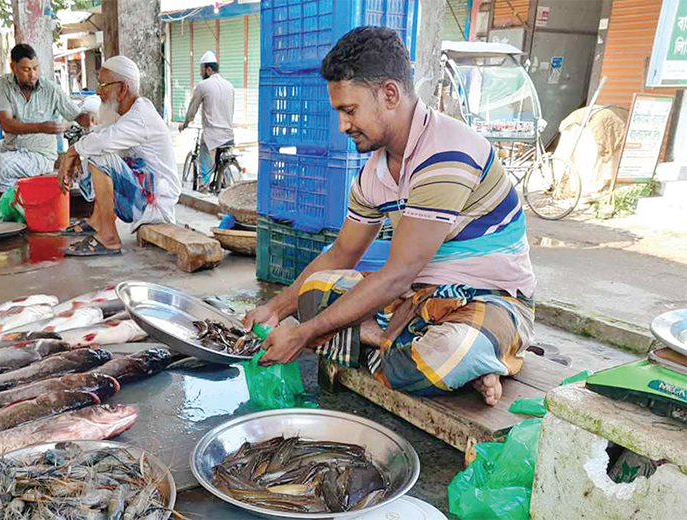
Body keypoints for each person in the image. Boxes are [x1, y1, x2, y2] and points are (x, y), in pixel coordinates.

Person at [243, 27, 536, 407]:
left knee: (442, 353)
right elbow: (340, 254)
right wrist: (277, 307)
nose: (343, 125)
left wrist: (305, 332)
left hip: (491, 299)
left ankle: (466, 353)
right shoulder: (374, 171)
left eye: (349, 110)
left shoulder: (447, 153)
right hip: (418, 299)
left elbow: (399, 271)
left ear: (390, 94)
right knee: (315, 293)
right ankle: (412, 347)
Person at [58, 55, 180, 257]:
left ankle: (109, 238)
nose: (98, 91)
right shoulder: (123, 112)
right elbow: (100, 136)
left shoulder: (140, 116)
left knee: (98, 154)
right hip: (143, 191)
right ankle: (97, 220)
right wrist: (77, 153)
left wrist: (72, 153)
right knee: (91, 148)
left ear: (123, 88)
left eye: (103, 85)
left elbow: (103, 142)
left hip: (156, 202)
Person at [0, 44, 91, 192]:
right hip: (9, 146)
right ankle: (4, 167)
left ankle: (14, 202)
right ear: (13, 67)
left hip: (39, 155)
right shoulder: (2, 83)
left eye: (36, 68)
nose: (33, 75)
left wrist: (93, 118)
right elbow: (6, 124)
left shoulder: (51, 89)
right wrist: (40, 127)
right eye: (26, 70)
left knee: (0, 166)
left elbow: (78, 116)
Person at [179, 51, 234, 190]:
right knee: (222, 158)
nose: (200, 73)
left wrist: (184, 124)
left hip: (212, 135)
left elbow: (192, 111)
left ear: (209, 70)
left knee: (204, 155)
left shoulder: (203, 86)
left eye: (202, 70)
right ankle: (228, 185)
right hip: (228, 135)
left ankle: (203, 186)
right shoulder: (230, 86)